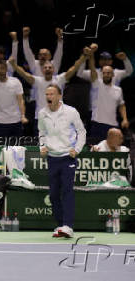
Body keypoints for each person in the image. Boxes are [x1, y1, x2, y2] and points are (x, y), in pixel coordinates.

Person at [38, 84, 86, 238]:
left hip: (67, 157)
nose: (48, 97)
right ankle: (60, 226)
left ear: (59, 96)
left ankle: (68, 226)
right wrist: (42, 146)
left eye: (52, 94)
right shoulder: (42, 113)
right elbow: (41, 132)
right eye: (47, 94)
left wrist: (77, 149)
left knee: (67, 191)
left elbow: (81, 131)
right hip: (52, 158)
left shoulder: (71, 112)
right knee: (53, 195)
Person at [9, 49, 88, 135]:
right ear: (42, 71)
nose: (47, 69)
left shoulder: (60, 79)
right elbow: (24, 74)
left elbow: (74, 68)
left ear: (53, 70)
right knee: (40, 146)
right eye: (45, 68)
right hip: (41, 119)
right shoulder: (37, 81)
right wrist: (14, 65)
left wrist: (83, 56)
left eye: (50, 67)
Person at [89, 49, 129, 140]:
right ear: (101, 74)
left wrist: (125, 119)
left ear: (113, 75)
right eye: (104, 73)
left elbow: (122, 105)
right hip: (97, 123)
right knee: (96, 152)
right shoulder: (97, 84)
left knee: (113, 152)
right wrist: (91, 54)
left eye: (108, 73)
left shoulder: (118, 90)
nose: (106, 75)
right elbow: (92, 69)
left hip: (113, 124)